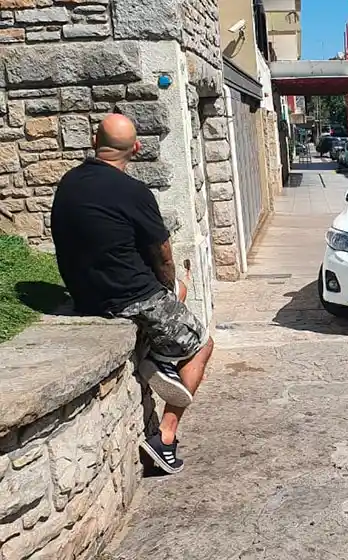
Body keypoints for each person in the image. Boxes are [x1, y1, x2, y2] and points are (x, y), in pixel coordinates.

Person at [51, 114, 214, 475]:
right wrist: (169, 286)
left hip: (86, 297)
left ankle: (158, 354)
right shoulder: (134, 192)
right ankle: (166, 440)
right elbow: (163, 255)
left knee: (176, 298)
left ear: (95, 141)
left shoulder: (68, 183)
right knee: (202, 343)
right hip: (131, 298)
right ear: (136, 149)